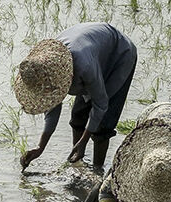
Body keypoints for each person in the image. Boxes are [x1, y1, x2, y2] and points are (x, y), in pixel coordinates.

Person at [14, 22, 138, 172]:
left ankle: (97, 171)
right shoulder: (48, 68)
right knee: (78, 117)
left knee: (103, 126)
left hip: (119, 56)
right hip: (93, 53)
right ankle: (77, 160)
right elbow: (53, 106)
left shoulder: (84, 66)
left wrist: (84, 140)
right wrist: (40, 147)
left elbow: (101, 104)